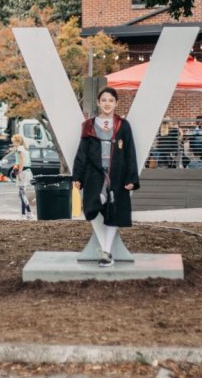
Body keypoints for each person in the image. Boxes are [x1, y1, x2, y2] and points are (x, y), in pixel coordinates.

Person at [72, 87, 140, 267]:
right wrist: (77, 176)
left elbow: (129, 153)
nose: (107, 103)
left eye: (111, 100)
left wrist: (131, 178)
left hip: (117, 176)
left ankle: (106, 252)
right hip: (94, 175)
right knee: (91, 208)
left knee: (114, 213)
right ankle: (105, 249)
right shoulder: (89, 125)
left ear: (116, 103)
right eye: (104, 100)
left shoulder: (123, 125)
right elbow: (82, 153)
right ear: (98, 103)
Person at [10, 133, 34, 220]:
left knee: (22, 193)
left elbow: (21, 159)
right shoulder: (24, 148)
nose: (13, 144)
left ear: (18, 141)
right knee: (22, 193)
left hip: (22, 172)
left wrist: (19, 171)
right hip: (27, 171)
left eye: (13, 142)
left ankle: (28, 213)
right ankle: (25, 214)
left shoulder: (20, 148)